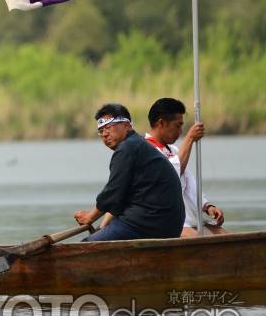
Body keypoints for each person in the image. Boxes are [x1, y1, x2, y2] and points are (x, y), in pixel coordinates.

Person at [75, 103, 185, 241]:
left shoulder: (127, 148)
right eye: (101, 131)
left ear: (127, 125)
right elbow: (120, 197)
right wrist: (103, 226)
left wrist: (90, 217)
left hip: (147, 223)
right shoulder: (137, 144)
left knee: (86, 245)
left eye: (108, 127)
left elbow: (113, 192)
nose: (105, 134)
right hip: (167, 225)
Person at [145, 97, 226, 236]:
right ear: (161, 123)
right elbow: (171, 177)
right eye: (178, 125)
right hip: (167, 219)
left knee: (227, 237)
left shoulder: (174, 151)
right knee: (200, 243)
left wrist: (207, 206)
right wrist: (190, 139)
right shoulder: (144, 150)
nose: (180, 131)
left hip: (189, 218)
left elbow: (189, 184)